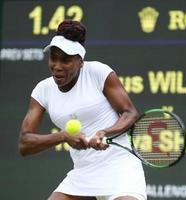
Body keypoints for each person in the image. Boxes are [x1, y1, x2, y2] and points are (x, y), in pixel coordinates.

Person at [18, 19, 147, 200]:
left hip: (121, 168)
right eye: (53, 58)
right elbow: (25, 144)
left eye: (66, 60)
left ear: (80, 62)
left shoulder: (99, 72)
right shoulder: (42, 90)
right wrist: (62, 136)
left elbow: (130, 113)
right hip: (83, 173)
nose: (57, 66)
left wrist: (104, 132)